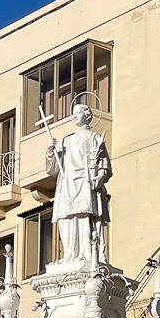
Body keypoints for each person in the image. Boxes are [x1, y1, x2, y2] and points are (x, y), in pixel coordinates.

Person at [43, 102, 111, 270]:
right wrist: (51, 152)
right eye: (73, 113)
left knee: (84, 217)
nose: (74, 116)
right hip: (67, 184)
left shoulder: (95, 138)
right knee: (66, 218)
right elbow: (53, 169)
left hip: (85, 182)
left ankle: (87, 252)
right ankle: (69, 253)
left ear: (87, 116)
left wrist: (100, 177)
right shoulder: (66, 140)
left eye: (78, 113)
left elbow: (105, 165)